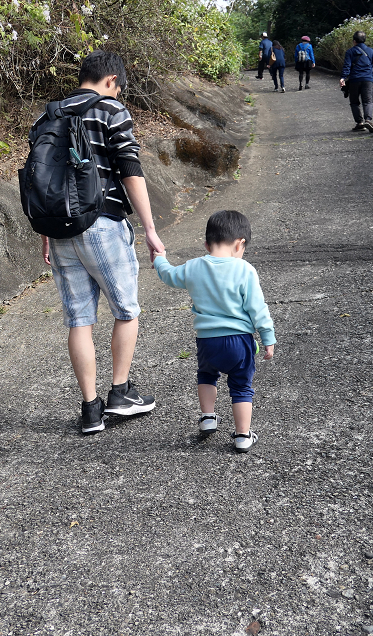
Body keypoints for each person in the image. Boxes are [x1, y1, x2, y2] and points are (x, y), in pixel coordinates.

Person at [37, 50, 165, 434]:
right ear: (112, 80)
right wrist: (150, 228)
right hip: (103, 224)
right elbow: (130, 167)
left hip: (61, 229)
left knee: (79, 320)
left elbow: (46, 180)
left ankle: (90, 411)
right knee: (126, 310)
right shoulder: (110, 110)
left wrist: (47, 233)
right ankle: (121, 393)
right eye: (119, 89)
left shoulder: (50, 115)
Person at [153, 210, 276, 453]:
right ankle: (242, 435)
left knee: (207, 375)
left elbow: (169, 275)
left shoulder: (193, 267)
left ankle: (208, 417)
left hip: (207, 342)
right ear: (240, 243)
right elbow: (257, 309)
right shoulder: (244, 270)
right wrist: (268, 337)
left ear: (207, 244)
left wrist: (159, 258)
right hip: (238, 342)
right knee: (241, 387)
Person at [339, 30, 373, 134]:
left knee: (354, 102)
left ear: (354, 41)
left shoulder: (350, 52)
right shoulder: (370, 51)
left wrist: (343, 78)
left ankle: (359, 123)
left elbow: (347, 66)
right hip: (367, 79)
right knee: (368, 101)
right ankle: (368, 120)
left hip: (354, 80)